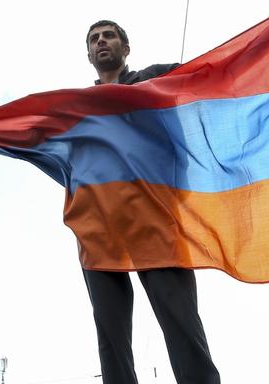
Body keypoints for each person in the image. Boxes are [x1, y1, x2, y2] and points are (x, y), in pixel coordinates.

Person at [82, 20, 221, 384]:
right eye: (94, 39)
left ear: (125, 48)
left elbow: (205, 74)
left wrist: (264, 47)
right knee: (110, 337)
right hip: (98, 226)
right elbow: (27, 125)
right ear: (88, 55)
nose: (101, 42)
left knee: (182, 324)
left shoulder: (153, 79)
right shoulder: (79, 105)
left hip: (155, 219)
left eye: (108, 35)